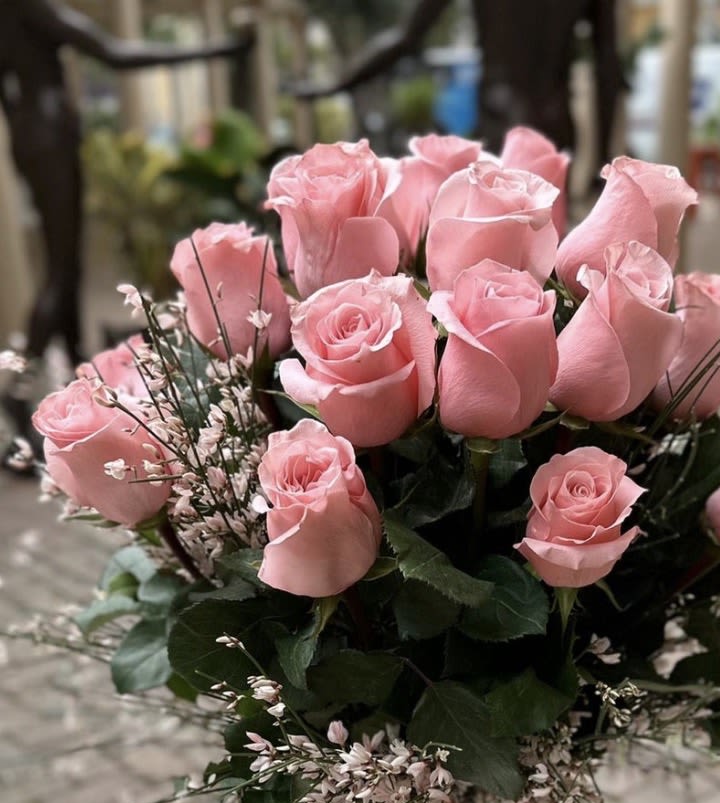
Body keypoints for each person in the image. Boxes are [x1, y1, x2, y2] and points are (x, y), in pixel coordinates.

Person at [0, 0, 252, 465]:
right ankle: (18, 390)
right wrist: (215, 50)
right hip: (50, 131)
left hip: (28, 132)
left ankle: (82, 386)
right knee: (59, 271)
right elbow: (115, 53)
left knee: (69, 268)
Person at [285, 0, 622, 169]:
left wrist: (337, 84)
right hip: (554, 125)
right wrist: (603, 159)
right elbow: (607, 65)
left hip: (498, 120)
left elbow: (405, 38)